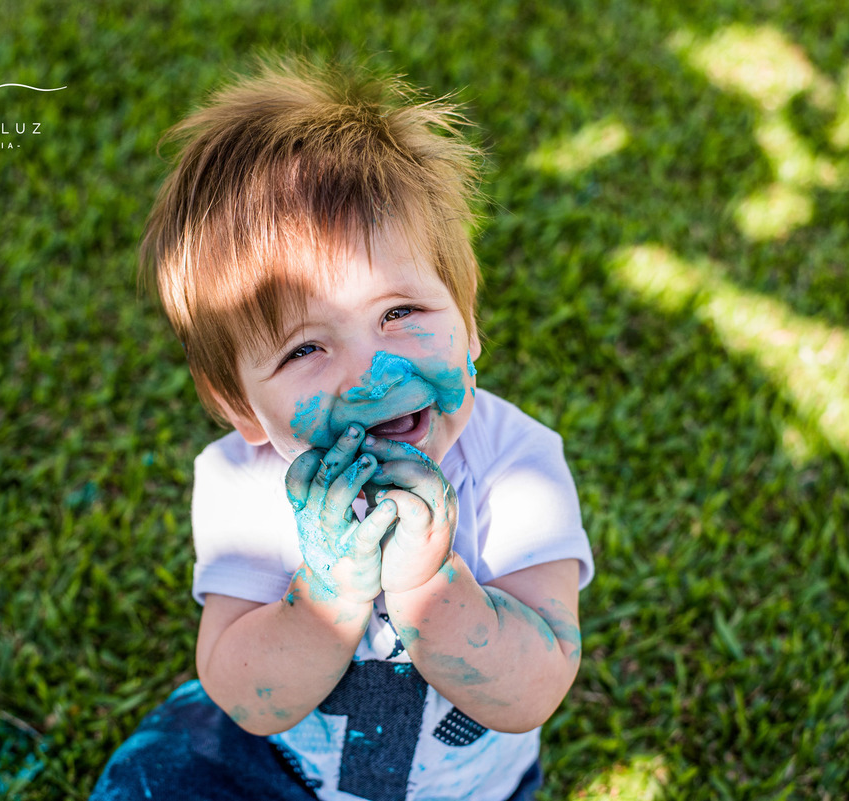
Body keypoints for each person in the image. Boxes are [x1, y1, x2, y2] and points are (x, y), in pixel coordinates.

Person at [91, 58, 594, 801]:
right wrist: (326, 594)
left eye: (400, 312)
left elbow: (532, 690)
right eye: (304, 348)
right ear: (238, 402)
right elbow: (248, 697)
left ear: (469, 319)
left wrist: (427, 584)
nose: (370, 373)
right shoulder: (241, 482)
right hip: (276, 770)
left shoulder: (518, 467)